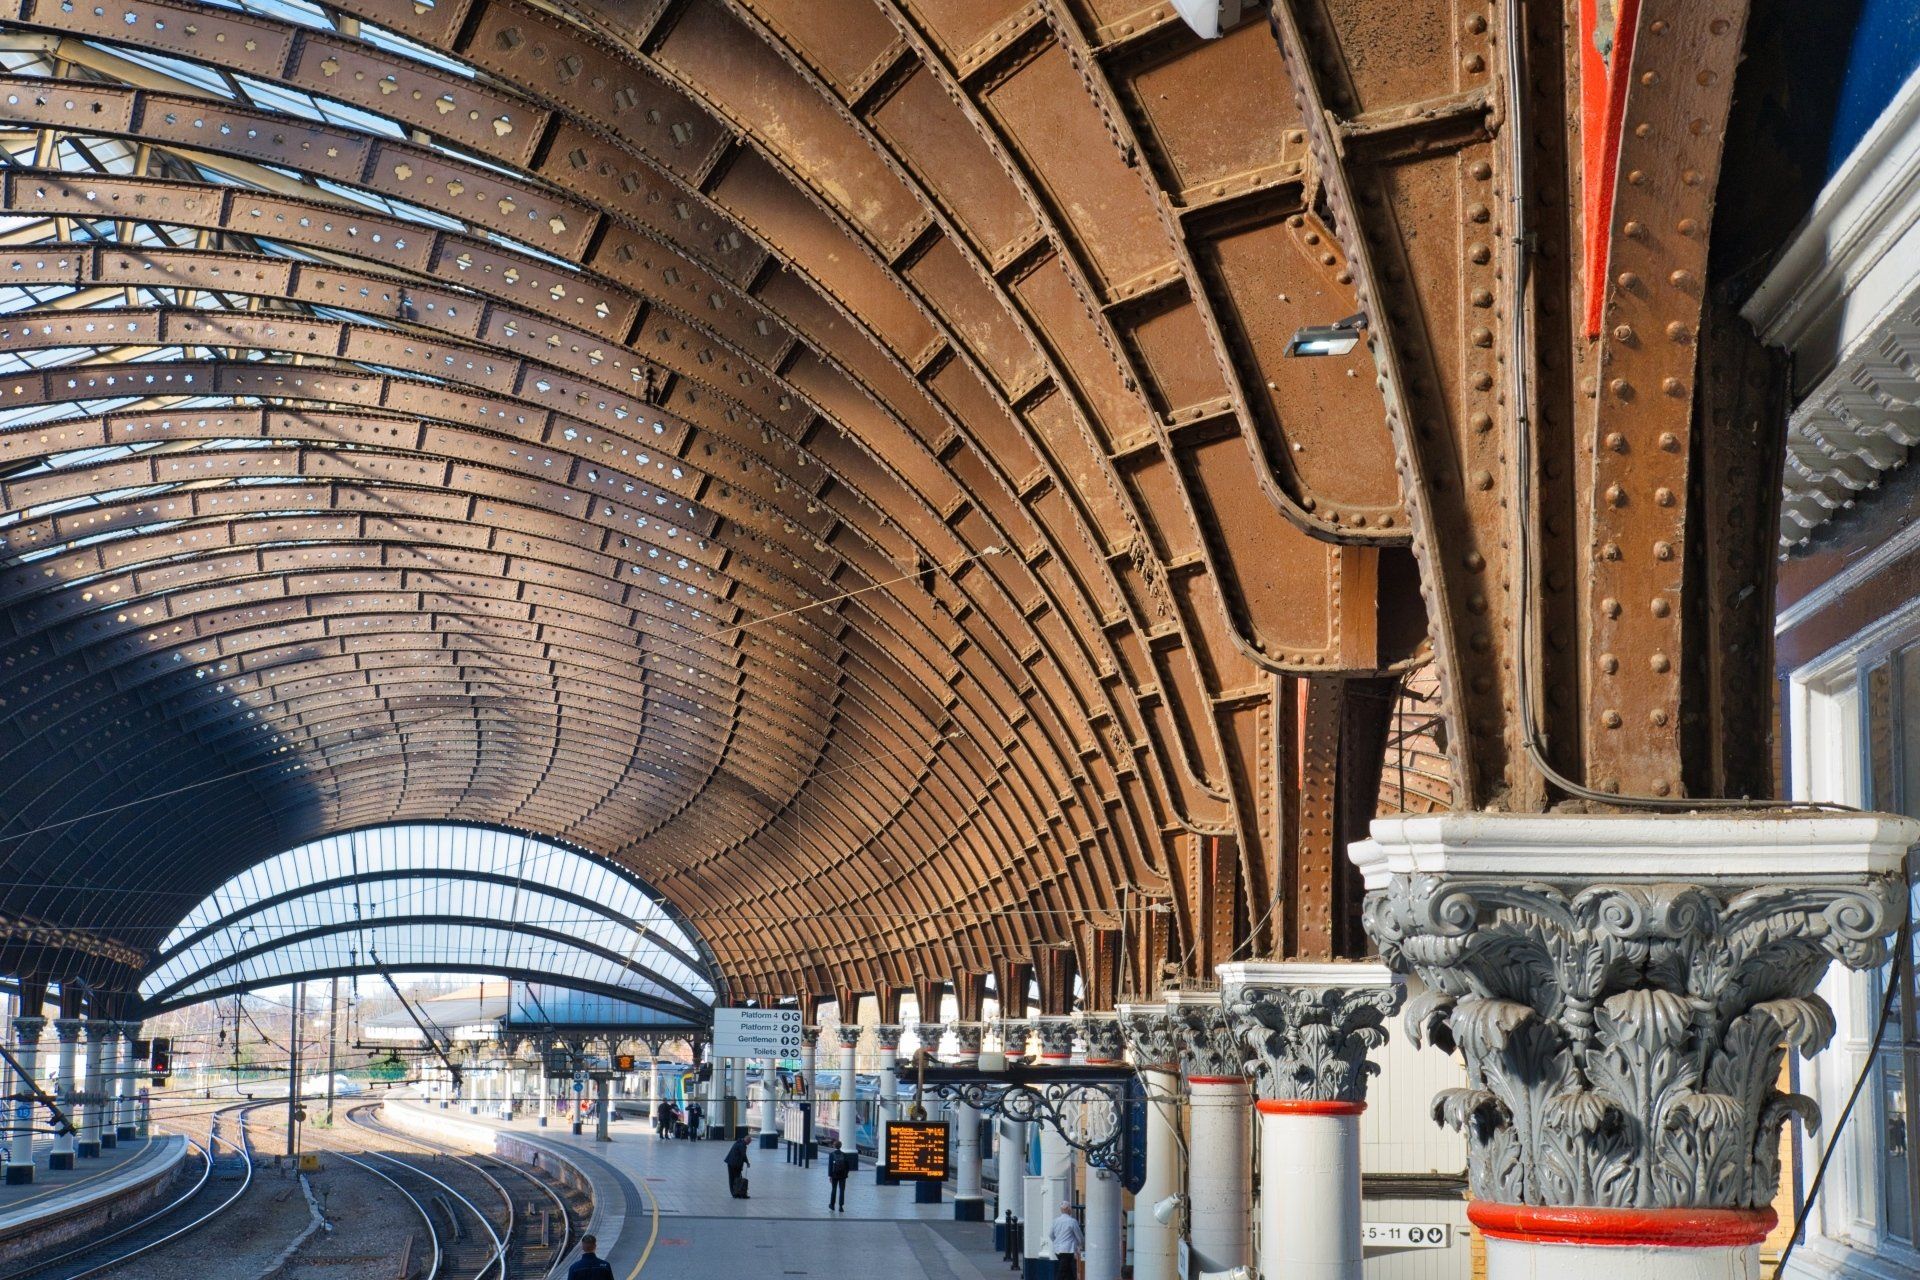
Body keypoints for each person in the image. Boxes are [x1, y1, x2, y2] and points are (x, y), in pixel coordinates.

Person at [1049, 1203, 1084, 1280]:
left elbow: (1050, 1235)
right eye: (1070, 1208)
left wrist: (1056, 1242)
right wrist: (1081, 1245)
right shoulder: (1072, 1221)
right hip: (1068, 1250)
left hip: (1058, 1250)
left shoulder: (1055, 1221)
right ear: (1068, 1209)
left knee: (1068, 1271)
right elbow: (1079, 1236)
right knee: (1062, 1272)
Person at [723, 1133, 752, 1198]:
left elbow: (742, 1155)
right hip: (733, 1164)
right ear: (747, 1140)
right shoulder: (742, 1145)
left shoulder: (740, 1142)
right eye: (749, 1142)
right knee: (734, 1179)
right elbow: (743, 1155)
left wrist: (746, 1162)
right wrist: (747, 1162)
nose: (749, 1144)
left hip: (732, 1163)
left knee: (736, 1178)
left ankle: (738, 1192)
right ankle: (735, 1193)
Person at [825, 1146, 850, 1212]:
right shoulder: (844, 1154)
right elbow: (847, 1166)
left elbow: (830, 1166)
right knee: (842, 1190)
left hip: (834, 1175)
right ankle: (841, 1207)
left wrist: (830, 1176)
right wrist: (846, 1174)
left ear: (834, 1146)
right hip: (843, 1175)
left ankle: (832, 1205)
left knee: (834, 1189)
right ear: (840, 1146)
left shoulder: (831, 1154)